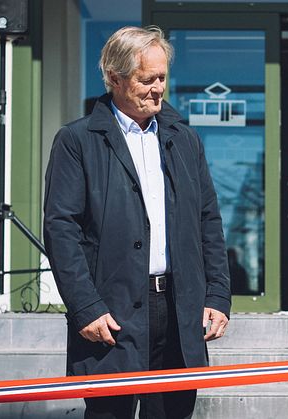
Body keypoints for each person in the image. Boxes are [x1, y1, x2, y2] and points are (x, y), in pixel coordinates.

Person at [43, 26, 231, 419]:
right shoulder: (77, 140)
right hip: (110, 314)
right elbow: (62, 230)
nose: (158, 88)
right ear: (114, 77)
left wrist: (217, 295)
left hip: (179, 312)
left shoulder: (184, 139)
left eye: (162, 77)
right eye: (147, 79)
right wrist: (85, 307)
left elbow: (208, 221)